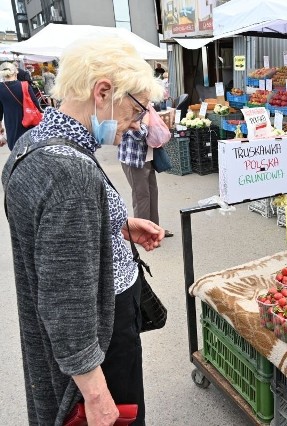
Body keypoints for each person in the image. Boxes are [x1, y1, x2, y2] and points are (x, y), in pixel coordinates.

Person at [2, 35, 165, 425]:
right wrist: (96, 392)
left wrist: (115, 225)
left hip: (86, 333)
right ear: (103, 91)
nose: (140, 122)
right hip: (102, 339)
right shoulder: (67, 172)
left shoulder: (32, 143)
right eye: (138, 108)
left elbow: (53, 245)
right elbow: (65, 300)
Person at [119, 103, 174, 238]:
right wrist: (146, 120)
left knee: (152, 193)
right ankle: (143, 232)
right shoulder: (124, 107)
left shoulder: (143, 105)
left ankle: (154, 228)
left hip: (147, 155)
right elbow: (136, 134)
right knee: (141, 196)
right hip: (133, 159)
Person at [0, 62, 41, 150]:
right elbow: (36, 104)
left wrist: (0, 126)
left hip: (11, 123)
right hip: (28, 122)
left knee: (15, 148)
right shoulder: (24, 85)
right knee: (29, 148)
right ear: (15, 72)